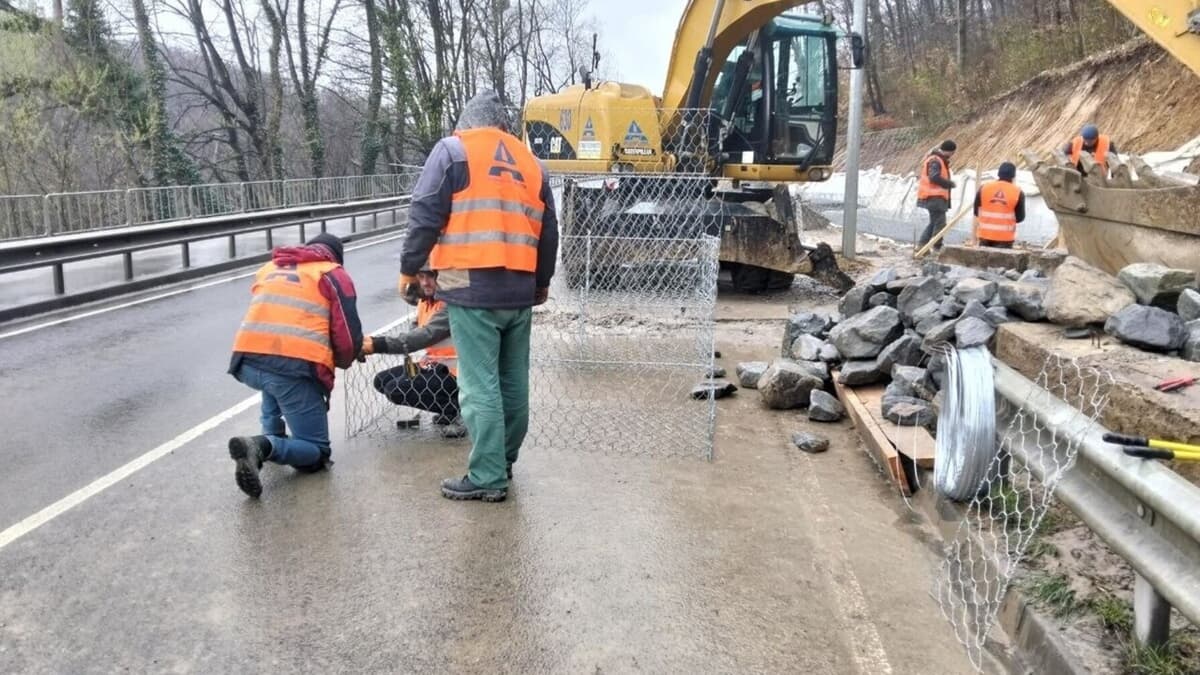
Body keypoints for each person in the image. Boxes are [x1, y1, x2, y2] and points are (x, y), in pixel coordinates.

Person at [399, 90, 559, 503]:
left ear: (464, 124)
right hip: (519, 291)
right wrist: (540, 283)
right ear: (504, 128)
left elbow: (425, 213)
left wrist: (409, 268)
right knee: (512, 381)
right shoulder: (532, 163)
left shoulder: (454, 151)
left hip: (472, 288)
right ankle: (503, 461)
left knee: (478, 384)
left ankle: (487, 476)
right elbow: (549, 233)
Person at [225, 233, 363, 499]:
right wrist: (345, 360)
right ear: (336, 258)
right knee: (316, 450)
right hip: (293, 367)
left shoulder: (271, 267)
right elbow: (346, 336)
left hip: (247, 359)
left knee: (274, 379)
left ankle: (270, 435)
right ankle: (261, 447)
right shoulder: (332, 274)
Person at [362, 264, 465, 438]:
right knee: (381, 381)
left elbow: (425, 335)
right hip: (434, 364)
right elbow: (415, 330)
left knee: (396, 389)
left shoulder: (450, 303)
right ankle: (448, 409)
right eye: (421, 277)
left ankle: (460, 410)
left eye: (430, 277)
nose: (425, 283)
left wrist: (377, 344)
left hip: (456, 372)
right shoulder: (424, 301)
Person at [973, 162, 1025, 249]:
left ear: (998, 173)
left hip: (985, 236)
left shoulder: (984, 188)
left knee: (984, 261)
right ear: (1013, 176)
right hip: (1005, 238)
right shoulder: (1018, 192)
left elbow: (976, 212)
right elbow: (1020, 218)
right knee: (1000, 262)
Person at [917, 140, 957, 251]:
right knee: (940, 223)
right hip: (934, 197)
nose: (952, 155)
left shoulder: (936, 159)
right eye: (952, 153)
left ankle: (922, 246)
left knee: (934, 222)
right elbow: (934, 177)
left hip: (933, 197)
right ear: (949, 151)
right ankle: (936, 247)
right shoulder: (936, 160)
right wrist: (948, 184)